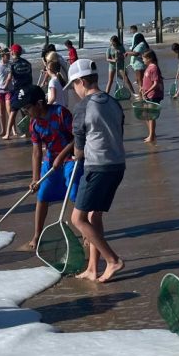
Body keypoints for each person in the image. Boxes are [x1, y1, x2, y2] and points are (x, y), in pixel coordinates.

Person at [66, 58, 126, 283]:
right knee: (94, 215)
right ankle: (93, 267)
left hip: (97, 167)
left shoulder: (82, 108)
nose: (74, 90)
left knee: (78, 219)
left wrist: (75, 155)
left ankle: (112, 260)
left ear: (81, 81)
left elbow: (79, 149)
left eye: (74, 85)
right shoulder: (113, 101)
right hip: (117, 164)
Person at [11, 84, 78, 251]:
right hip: (50, 160)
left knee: (75, 194)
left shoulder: (61, 113)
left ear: (39, 104)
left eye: (27, 107)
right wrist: (35, 179)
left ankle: (85, 234)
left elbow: (77, 138)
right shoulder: (34, 124)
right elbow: (36, 153)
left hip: (71, 158)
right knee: (42, 195)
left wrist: (62, 156)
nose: (25, 112)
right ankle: (37, 236)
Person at [140, 49, 165, 144]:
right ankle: (152, 133)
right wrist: (142, 88)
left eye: (144, 58)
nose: (143, 60)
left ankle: (151, 136)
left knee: (151, 115)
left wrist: (147, 92)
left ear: (149, 58)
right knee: (146, 114)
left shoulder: (153, 68)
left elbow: (156, 83)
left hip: (153, 94)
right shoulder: (149, 67)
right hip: (147, 94)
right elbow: (147, 80)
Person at [127, 25, 150, 93]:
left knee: (140, 80)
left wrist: (127, 53)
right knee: (138, 79)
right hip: (137, 63)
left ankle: (142, 94)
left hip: (139, 64)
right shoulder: (140, 44)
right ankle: (142, 92)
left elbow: (136, 53)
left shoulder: (141, 44)